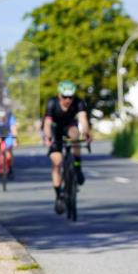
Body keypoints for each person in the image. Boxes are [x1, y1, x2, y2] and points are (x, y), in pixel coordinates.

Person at [43, 80, 91, 214]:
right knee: (56, 162)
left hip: (69, 127)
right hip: (55, 130)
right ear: (59, 95)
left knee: (75, 135)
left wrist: (86, 133)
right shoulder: (52, 103)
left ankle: (77, 167)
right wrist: (48, 137)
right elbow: (47, 124)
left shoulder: (78, 102)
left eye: (71, 97)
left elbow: (83, 120)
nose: (68, 100)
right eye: (65, 97)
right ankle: (59, 195)